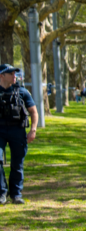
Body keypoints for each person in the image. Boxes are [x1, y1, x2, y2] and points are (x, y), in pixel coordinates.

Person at [0, 64, 37, 204]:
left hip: (17, 130)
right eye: (11, 73)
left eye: (15, 73)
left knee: (17, 163)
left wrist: (33, 130)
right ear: (1, 75)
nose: (14, 76)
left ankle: (16, 194)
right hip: (0, 131)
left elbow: (33, 111)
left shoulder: (22, 92)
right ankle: (2, 193)